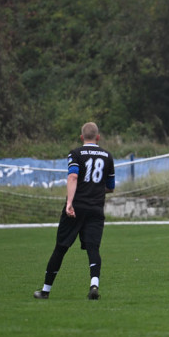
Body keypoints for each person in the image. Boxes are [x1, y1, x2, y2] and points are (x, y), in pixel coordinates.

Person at [33, 122, 115, 300]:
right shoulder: (108, 156)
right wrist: (95, 187)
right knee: (93, 248)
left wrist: (70, 202)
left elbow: (73, 176)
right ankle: (94, 284)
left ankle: (45, 290)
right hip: (95, 208)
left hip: (77, 207)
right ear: (98, 137)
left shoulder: (76, 153)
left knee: (61, 248)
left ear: (81, 137)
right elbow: (110, 187)